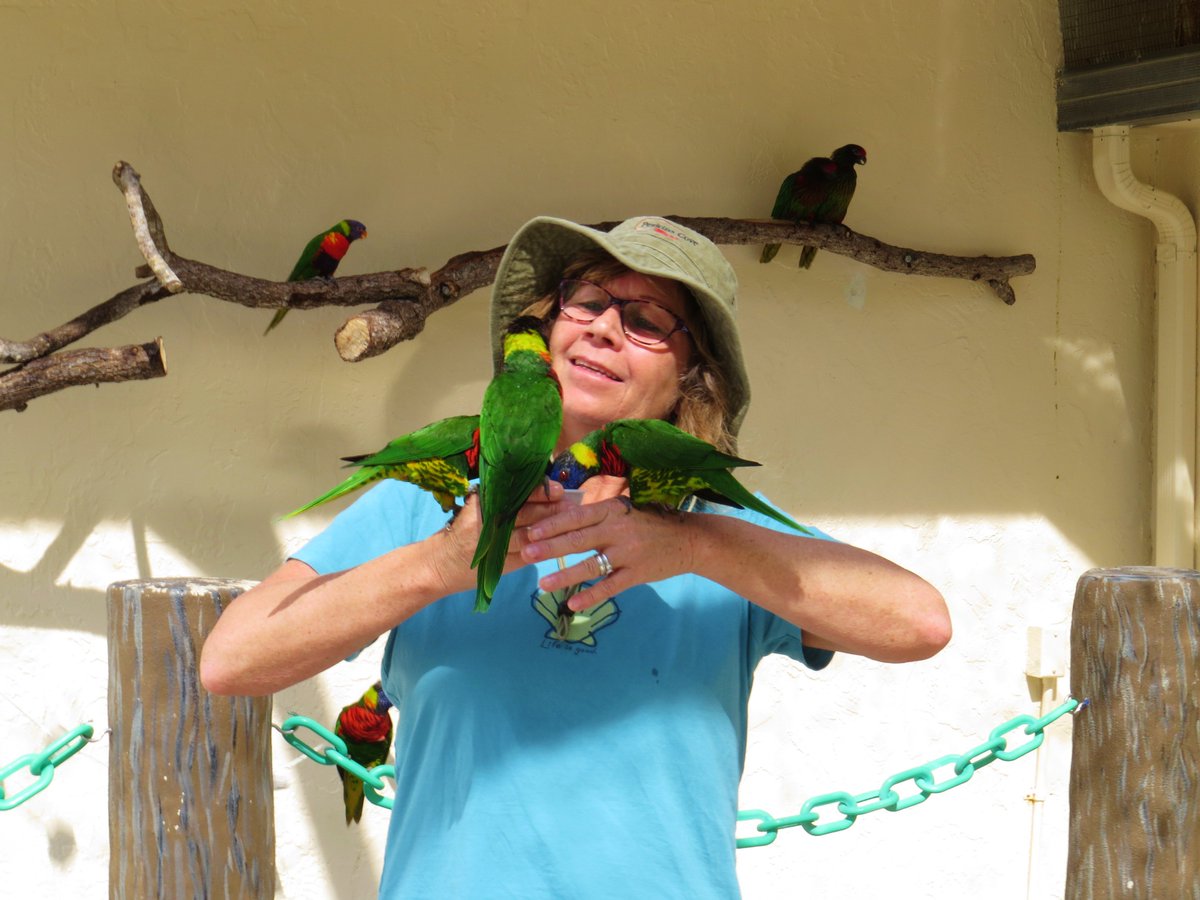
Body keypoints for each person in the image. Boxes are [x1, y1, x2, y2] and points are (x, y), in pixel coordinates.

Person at [201, 215, 951, 899]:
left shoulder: (712, 524)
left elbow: (920, 623)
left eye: (649, 320)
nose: (602, 330)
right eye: (585, 300)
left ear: (693, 377)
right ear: (546, 330)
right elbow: (233, 661)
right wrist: (440, 562)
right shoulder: (434, 502)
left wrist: (688, 545)